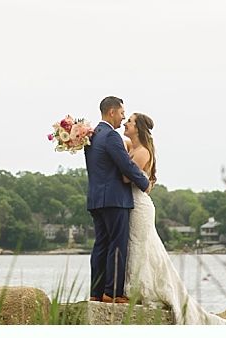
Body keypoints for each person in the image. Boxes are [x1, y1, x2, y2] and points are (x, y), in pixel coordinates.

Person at [121, 112, 226, 324]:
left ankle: (141, 289)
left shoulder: (143, 152)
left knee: (141, 246)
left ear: (138, 128)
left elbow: (127, 177)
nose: (126, 123)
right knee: (137, 246)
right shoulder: (132, 147)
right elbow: (119, 141)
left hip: (140, 206)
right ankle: (135, 288)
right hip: (132, 204)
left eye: (130, 121)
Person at [84, 96, 151, 303]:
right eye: (122, 113)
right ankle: (112, 292)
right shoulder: (111, 136)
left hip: (96, 199)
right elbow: (126, 165)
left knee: (101, 245)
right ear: (111, 112)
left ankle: (96, 292)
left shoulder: (92, 136)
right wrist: (145, 183)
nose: (123, 118)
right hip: (115, 199)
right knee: (117, 245)